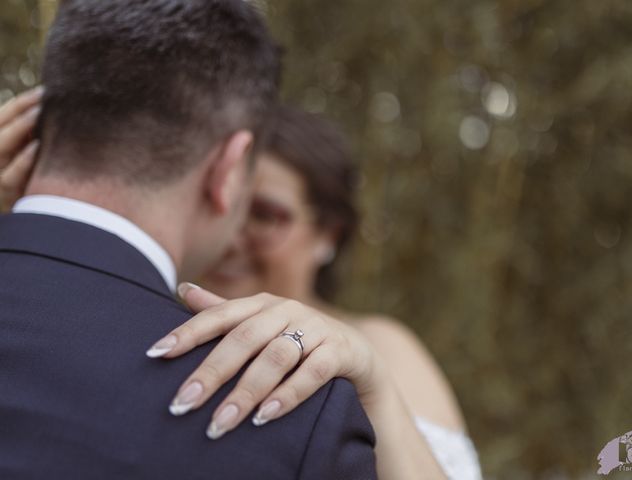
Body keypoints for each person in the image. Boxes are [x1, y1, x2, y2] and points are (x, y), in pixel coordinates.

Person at [1, 90, 483, 478]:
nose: (233, 238)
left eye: (267, 216)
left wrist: (373, 387)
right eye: (230, 206)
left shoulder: (383, 347)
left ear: (328, 235)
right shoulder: (134, 317)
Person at [0, 1, 378, 479]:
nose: (239, 239)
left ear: (36, 126)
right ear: (229, 170)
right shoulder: (299, 418)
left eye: (270, 216)